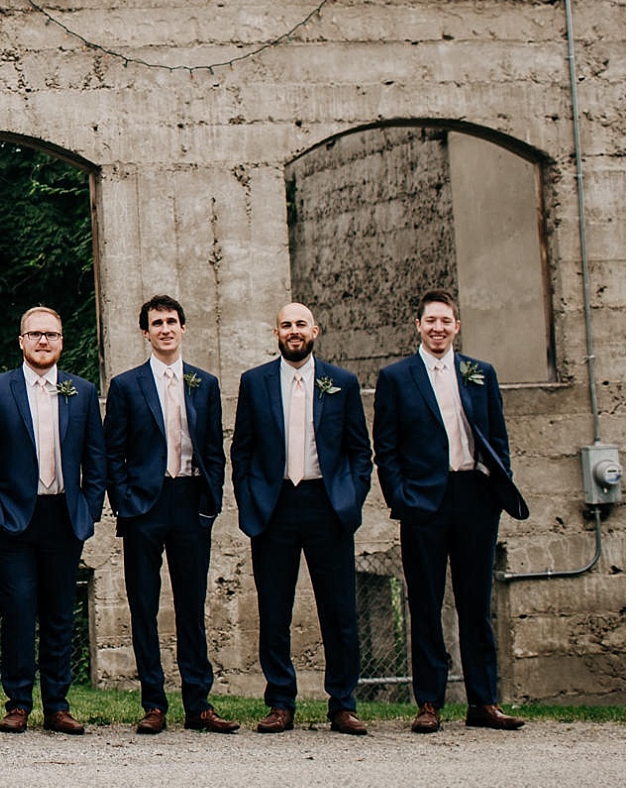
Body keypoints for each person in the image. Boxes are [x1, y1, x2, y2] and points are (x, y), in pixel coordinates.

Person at [374, 290, 530, 733]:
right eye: (431, 321)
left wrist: (495, 487)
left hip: (475, 499)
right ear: (418, 326)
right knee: (425, 603)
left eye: (446, 321)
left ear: (456, 327)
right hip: (423, 502)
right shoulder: (397, 377)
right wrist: (401, 499)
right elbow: (385, 449)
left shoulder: (480, 374)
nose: (438, 328)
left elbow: (497, 436)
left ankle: (483, 701)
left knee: (475, 603)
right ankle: (429, 702)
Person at [231, 301, 372, 735]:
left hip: (326, 505)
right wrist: (250, 498)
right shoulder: (255, 382)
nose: (294, 331)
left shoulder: (341, 383)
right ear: (276, 332)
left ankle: (343, 703)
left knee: (339, 609)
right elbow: (242, 451)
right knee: (275, 609)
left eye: (301, 325)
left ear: (315, 330)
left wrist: (351, 497)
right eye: (286, 325)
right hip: (274, 507)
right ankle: (280, 701)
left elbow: (359, 452)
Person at [103, 295, 237, 734]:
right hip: (145, 504)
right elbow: (113, 451)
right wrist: (126, 502)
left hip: (190, 502)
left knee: (191, 606)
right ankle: (153, 704)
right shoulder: (126, 385)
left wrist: (210, 500)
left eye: (171, 322)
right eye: (156, 323)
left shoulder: (205, 383)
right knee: (143, 605)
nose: (165, 329)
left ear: (183, 328)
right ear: (145, 332)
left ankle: (198, 702)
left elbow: (215, 450)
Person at [0, 305, 106, 735]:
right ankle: (17, 703)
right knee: (18, 609)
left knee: (58, 613)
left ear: (61, 341)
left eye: (51, 334)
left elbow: (96, 457)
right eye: (35, 334)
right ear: (21, 341)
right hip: (12, 517)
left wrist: (89, 509)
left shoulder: (81, 391)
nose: (43, 341)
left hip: (64, 515)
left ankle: (57, 704)